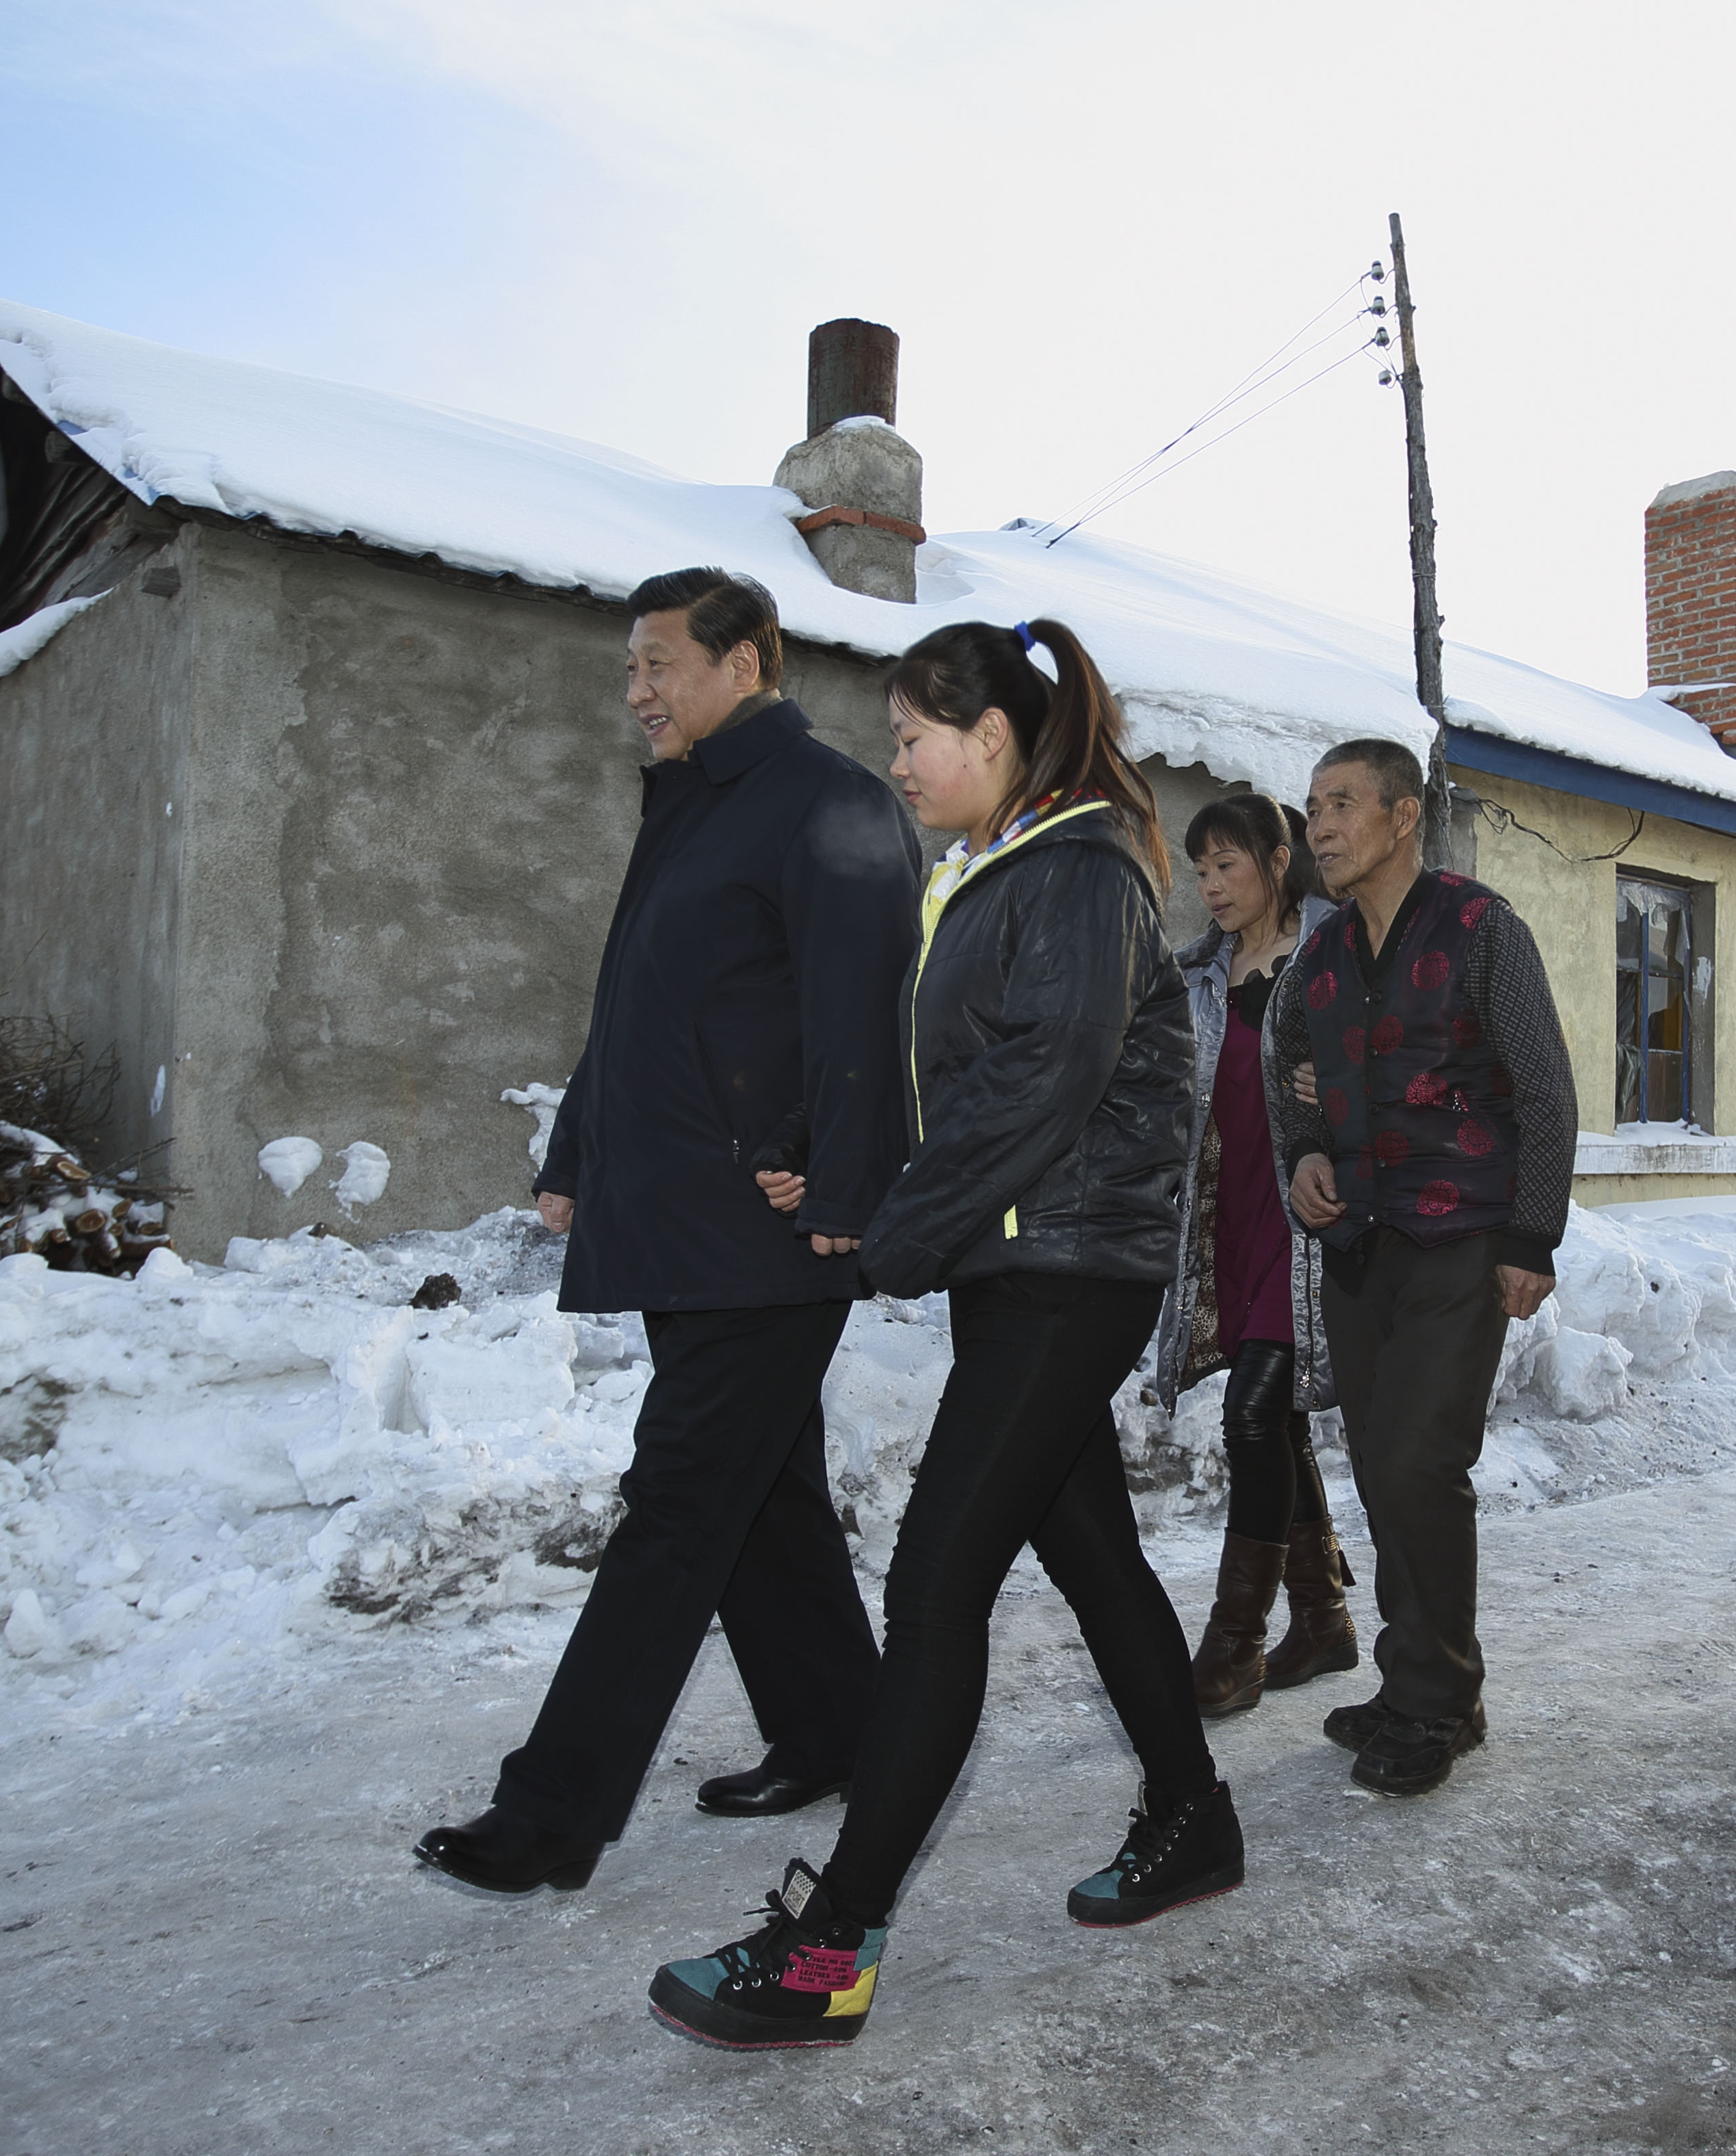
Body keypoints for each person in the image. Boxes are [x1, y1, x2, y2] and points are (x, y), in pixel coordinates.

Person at [648, 617, 1228, 2053]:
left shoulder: (1080, 870)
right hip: (1024, 1265)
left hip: (1068, 1268)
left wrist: (894, 1230)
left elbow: (1043, 1079)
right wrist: (846, 1175)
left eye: (912, 735)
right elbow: (948, 1078)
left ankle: (832, 1943)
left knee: (933, 1579)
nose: (894, 761)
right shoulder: (987, 876)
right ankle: (1192, 1811)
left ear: (989, 740)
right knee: (1088, 1550)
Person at [412, 568, 922, 1896]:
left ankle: (553, 1810)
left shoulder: (830, 802)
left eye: (656, 664)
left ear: (743, 661)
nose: (634, 691)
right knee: (760, 1496)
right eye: (629, 668)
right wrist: (578, 1145)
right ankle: (835, 1727)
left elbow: (860, 1011)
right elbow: (632, 995)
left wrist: (839, 1184)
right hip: (680, 1210)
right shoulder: (693, 808)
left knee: (679, 1502)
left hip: (763, 1224)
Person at [1264, 738, 1578, 1798]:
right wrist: (1304, 1156)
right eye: (1312, 807)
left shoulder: (1482, 930)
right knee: (1381, 1467)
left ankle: (1433, 1703)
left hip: (1462, 1238)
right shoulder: (1317, 959)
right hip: (1360, 1246)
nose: (1321, 825)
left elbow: (1542, 1085)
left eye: (1342, 803)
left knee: (1416, 1465)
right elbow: (1291, 1085)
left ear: (1403, 816)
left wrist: (1533, 1235)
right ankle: (1428, 1681)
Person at [1150, 791, 1360, 1715]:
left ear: (1278, 859)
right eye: (1198, 870)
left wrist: (1346, 1081)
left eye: (1224, 865)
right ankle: (1320, 1618)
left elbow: (1403, 1059)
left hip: (1308, 1228)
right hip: (1228, 1222)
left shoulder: (1340, 950)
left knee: (1249, 1415)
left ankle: (1232, 1647)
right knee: (1271, 1423)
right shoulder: (1196, 973)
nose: (1209, 886)